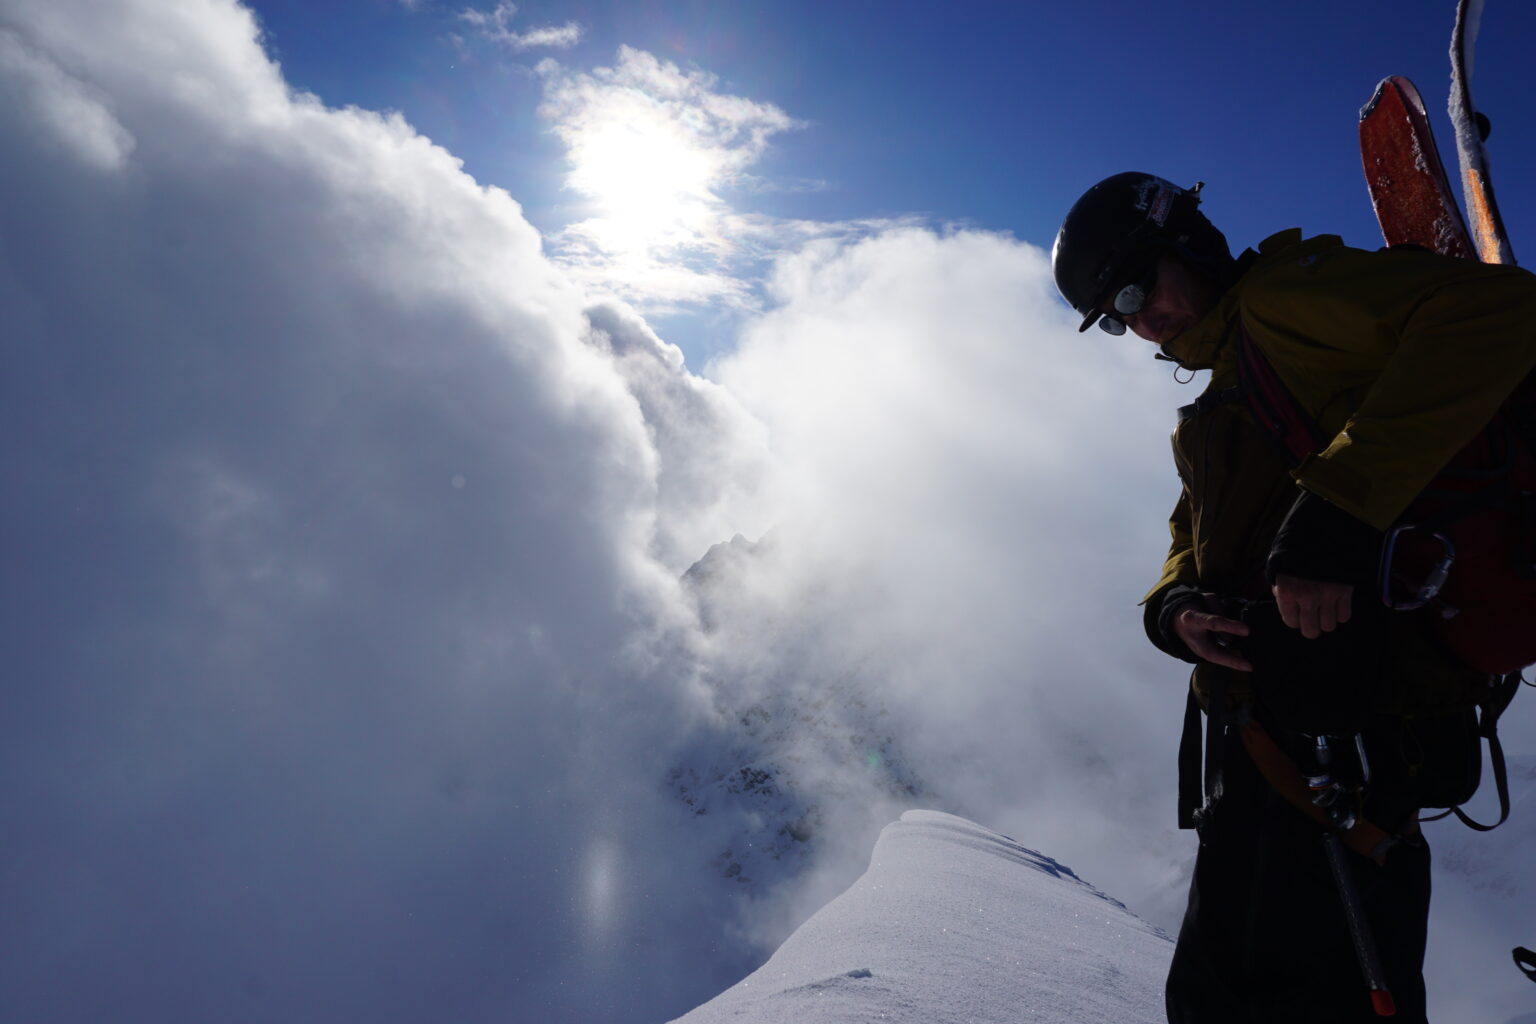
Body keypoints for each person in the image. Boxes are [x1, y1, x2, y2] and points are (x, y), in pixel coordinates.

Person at [1051, 172, 1536, 1022]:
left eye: (1137, 286)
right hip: (1267, 738)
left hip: (1348, 733)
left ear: (1187, 244)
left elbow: (1505, 312)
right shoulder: (1219, 398)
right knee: (1228, 994)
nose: (1138, 318)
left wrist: (1340, 507)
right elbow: (1189, 535)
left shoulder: (1283, 300)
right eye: (1116, 314)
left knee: (1311, 997)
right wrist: (1175, 610)